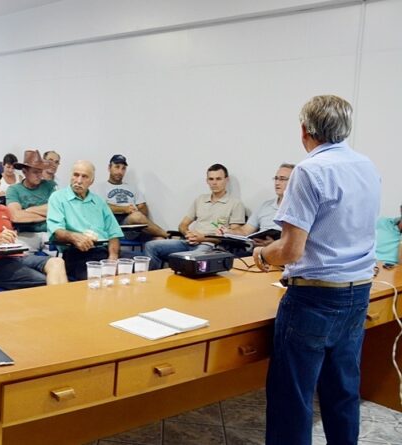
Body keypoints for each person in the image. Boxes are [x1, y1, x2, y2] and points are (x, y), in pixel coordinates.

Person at [253, 95, 381, 445]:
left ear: (304, 131)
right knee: (342, 391)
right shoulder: (367, 165)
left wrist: (263, 254)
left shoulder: (309, 170)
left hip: (314, 297)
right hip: (358, 291)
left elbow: (291, 250)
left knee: (291, 399)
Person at [143, 164, 246, 270]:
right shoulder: (200, 199)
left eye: (218, 179)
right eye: (211, 179)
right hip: (190, 242)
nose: (214, 183)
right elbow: (183, 225)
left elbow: (233, 236)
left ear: (226, 180)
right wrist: (188, 234)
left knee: (190, 259)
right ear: (207, 181)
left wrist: (203, 238)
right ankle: (153, 280)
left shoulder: (235, 203)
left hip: (210, 245)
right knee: (151, 246)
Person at [47, 160, 123, 281]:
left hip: (105, 251)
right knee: (99, 280)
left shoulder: (99, 202)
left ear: (91, 181)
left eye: (84, 176)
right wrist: (74, 237)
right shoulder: (58, 198)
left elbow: (114, 233)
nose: (79, 180)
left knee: (143, 267)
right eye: (76, 175)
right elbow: (56, 230)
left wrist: (113, 257)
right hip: (77, 253)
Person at [220, 163, 295, 246]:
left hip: (284, 252)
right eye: (276, 178)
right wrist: (228, 232)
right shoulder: (265, 206)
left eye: (282, 179)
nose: (277, 182)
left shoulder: (300, 208)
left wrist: (275, 245)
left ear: (294, 181)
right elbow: (245, 231)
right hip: (258, 251)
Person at [103, 154, 168, 239]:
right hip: (116, 228)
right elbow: (102, 208)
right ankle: (168, 234)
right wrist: (125, 209)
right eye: (117, 167)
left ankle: (166, 238)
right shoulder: (100, 187)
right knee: (136, 216)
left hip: (136, 227)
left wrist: (135, 210)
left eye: (123, 168)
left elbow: (143, 209)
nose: (120, 171)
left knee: (160, 240)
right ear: (109, 168)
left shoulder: (132, 188)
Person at [6, 150, 55, 251]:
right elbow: (16, 216)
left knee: (61, 259)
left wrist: (27, 211)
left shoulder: (50, 185)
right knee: (18, 259)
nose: (39, 175)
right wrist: (46, 215)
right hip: (25, 235)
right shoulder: (14, 190)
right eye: (35, 172)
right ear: (24, 172)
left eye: (40, 171)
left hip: (49, 233)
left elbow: (55, 209)